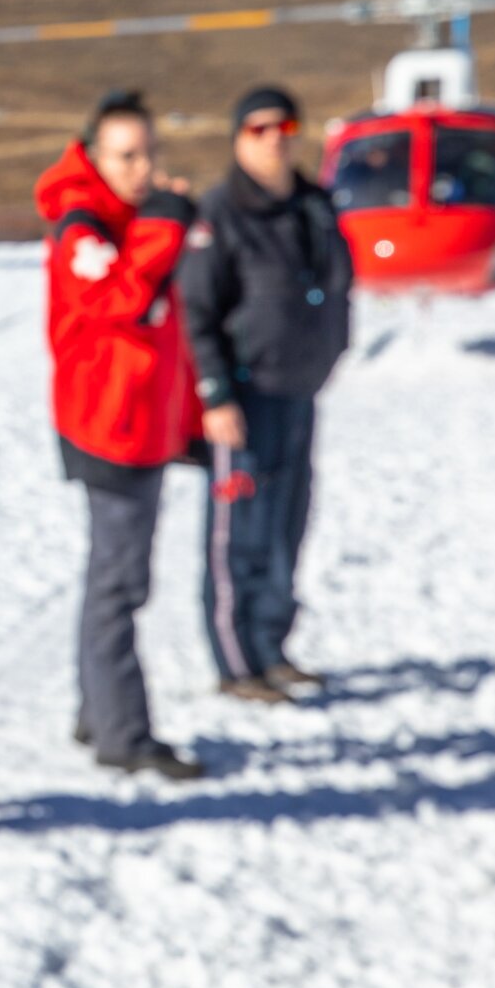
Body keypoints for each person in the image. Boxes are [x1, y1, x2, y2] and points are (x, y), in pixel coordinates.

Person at [34, 91, 208, 780]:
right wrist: (164, 227)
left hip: (141, 423)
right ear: (94, 157)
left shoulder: (127, 219)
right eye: (126, 156)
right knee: (119, 584)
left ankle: (97, 709)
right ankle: (122, 733)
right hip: (108, 427)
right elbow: (122, 300)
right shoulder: (82, 227)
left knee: (114, 576)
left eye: (149, 154)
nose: (141, 168)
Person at [180, 83, 354, 703]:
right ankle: (236, 663)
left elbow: (336, 281)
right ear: (238, 138)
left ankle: (273, 646)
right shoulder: (222, 213)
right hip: (244, 398)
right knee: (240, 534)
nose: (274, 139)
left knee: (287, 526)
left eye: (285, 126)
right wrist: (215, 394)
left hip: (299, 389)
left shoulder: (314, 204)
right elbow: (196, 312)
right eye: (258, 129)